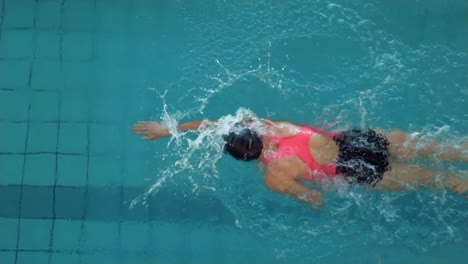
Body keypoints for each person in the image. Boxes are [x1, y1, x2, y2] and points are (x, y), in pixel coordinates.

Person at [131, 116, 468, 207]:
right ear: (253, 133)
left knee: (437, 180)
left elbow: (316, 199)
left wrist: (313, 196)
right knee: (439, 148)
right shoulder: (272, 126)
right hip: (353, 141)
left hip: (352, 170)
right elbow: (213, 124)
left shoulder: (274, 177)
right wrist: (170, 129)